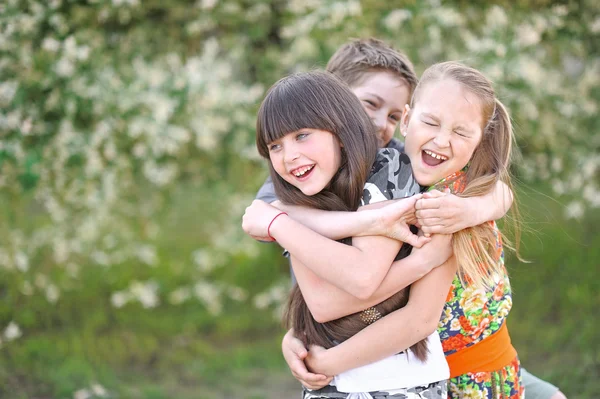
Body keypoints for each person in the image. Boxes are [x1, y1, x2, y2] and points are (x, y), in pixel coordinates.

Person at [274, 38, 565, 399]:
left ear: (404, 120)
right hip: (411, 366)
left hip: (463, 372)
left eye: (393, 115)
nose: (380, 125)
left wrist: (329, 362)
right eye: (368, 105)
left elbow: (410, 315)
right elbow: (323, 301)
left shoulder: (414, 182)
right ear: (331, 108)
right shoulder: (303, 178)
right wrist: (297, 336)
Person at [243, 70, 455, 398]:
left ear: (339, 131)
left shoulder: (389, 169)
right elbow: (323, 304)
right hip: (329, 388)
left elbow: (362, 278)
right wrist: (281, 222)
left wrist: (279, 224)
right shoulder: (295, 202)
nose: (289, 156)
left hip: (401, 383)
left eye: (302, 135)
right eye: (275, 145)